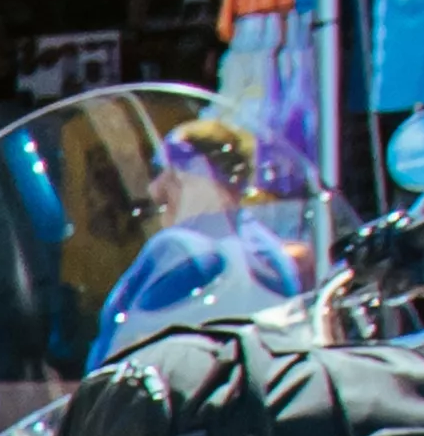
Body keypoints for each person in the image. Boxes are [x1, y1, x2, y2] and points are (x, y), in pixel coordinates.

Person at [96, 112, 310, 359]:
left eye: (166, 169)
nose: (155, 189)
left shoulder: (180, 250)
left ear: (198, 174)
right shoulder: (273, 257)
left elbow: (114, 353)